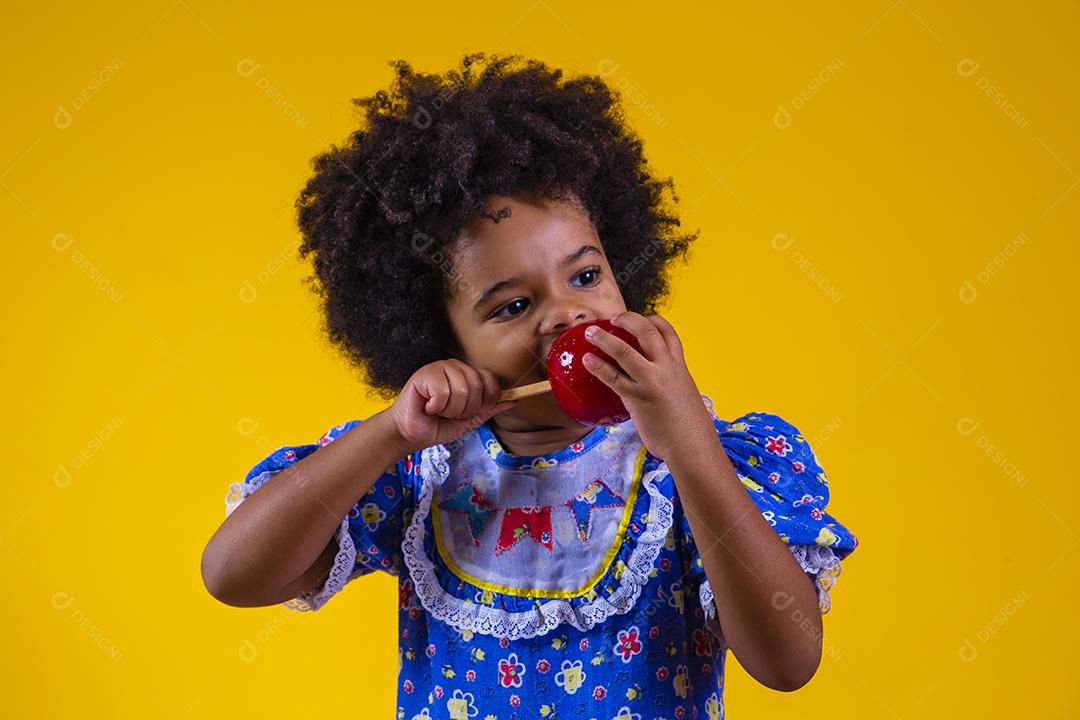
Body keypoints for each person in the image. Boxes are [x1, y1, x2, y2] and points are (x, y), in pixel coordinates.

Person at [201, 52, 858, 720]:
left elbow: (787, 662)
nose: (570, 315)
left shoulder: (703, 467)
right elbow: (233, 575)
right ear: (437, 342)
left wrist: (690, 445)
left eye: (586, 276)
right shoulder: (420, 473)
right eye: (513, 307)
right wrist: (389, 434)